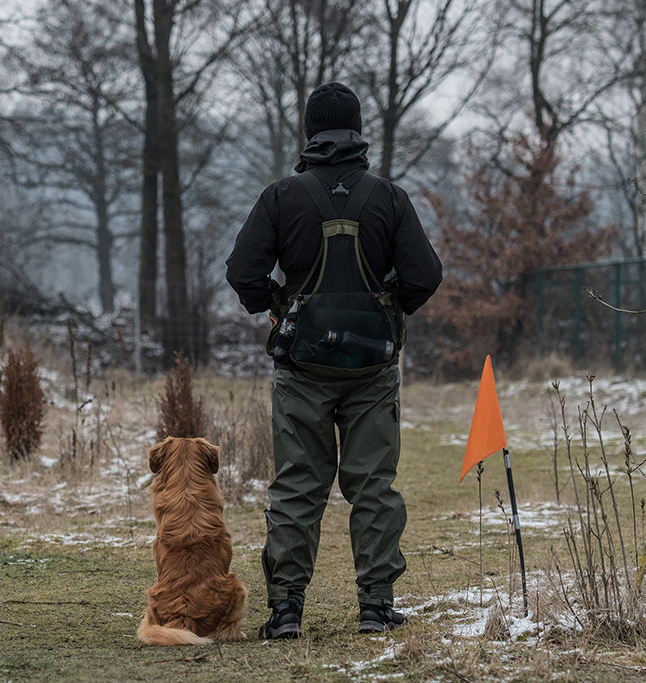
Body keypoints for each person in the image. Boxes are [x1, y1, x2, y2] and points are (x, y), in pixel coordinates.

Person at [225, 82, 443, 638]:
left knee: (299, 484)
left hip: (302, 368)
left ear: (309, 131)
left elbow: (242, 272)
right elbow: (425, 276)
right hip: (373, 371)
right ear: (357, 128)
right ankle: (375, 607)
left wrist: (276, 308)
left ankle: (286, 612)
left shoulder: (282, 197)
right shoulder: (389, 198)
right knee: (373, 486)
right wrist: (393, 310)